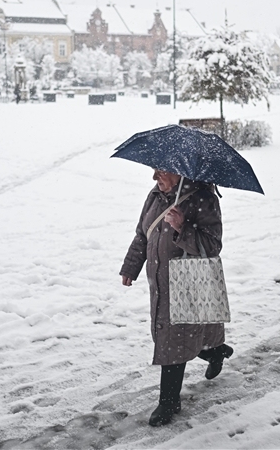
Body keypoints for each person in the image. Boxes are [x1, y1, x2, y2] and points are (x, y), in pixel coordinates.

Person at [120, 169, 234, 427]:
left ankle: (169, 401)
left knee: (175, 339)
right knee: (191, 333)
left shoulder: (204, 198)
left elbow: (212, 247)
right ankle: (216, 352)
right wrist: (131, 266)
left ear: (181, 173)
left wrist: (182, 226)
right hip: (160, 279)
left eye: (161, 172)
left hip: (190, 280)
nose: (154, 177)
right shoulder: (155, 196)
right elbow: (143, 233)